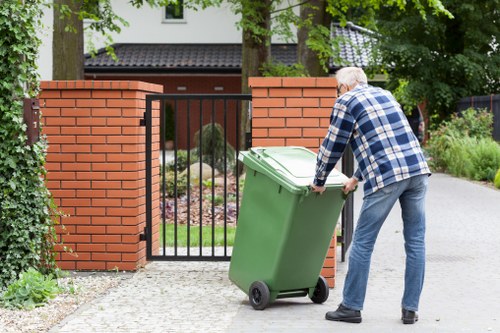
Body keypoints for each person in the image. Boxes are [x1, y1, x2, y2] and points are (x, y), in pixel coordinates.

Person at [310, 67, 431, 325]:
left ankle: (351, 307)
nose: (337, 93)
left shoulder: (347, 101)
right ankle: (410, 310)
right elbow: (381, 143)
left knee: (363, 241)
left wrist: (319, 180)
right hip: (417, 172)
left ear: (346, 85)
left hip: (388, 176)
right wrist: (355, 177)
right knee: (416, 242)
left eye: (337, 88)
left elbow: (333, 145)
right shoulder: (385, 94)